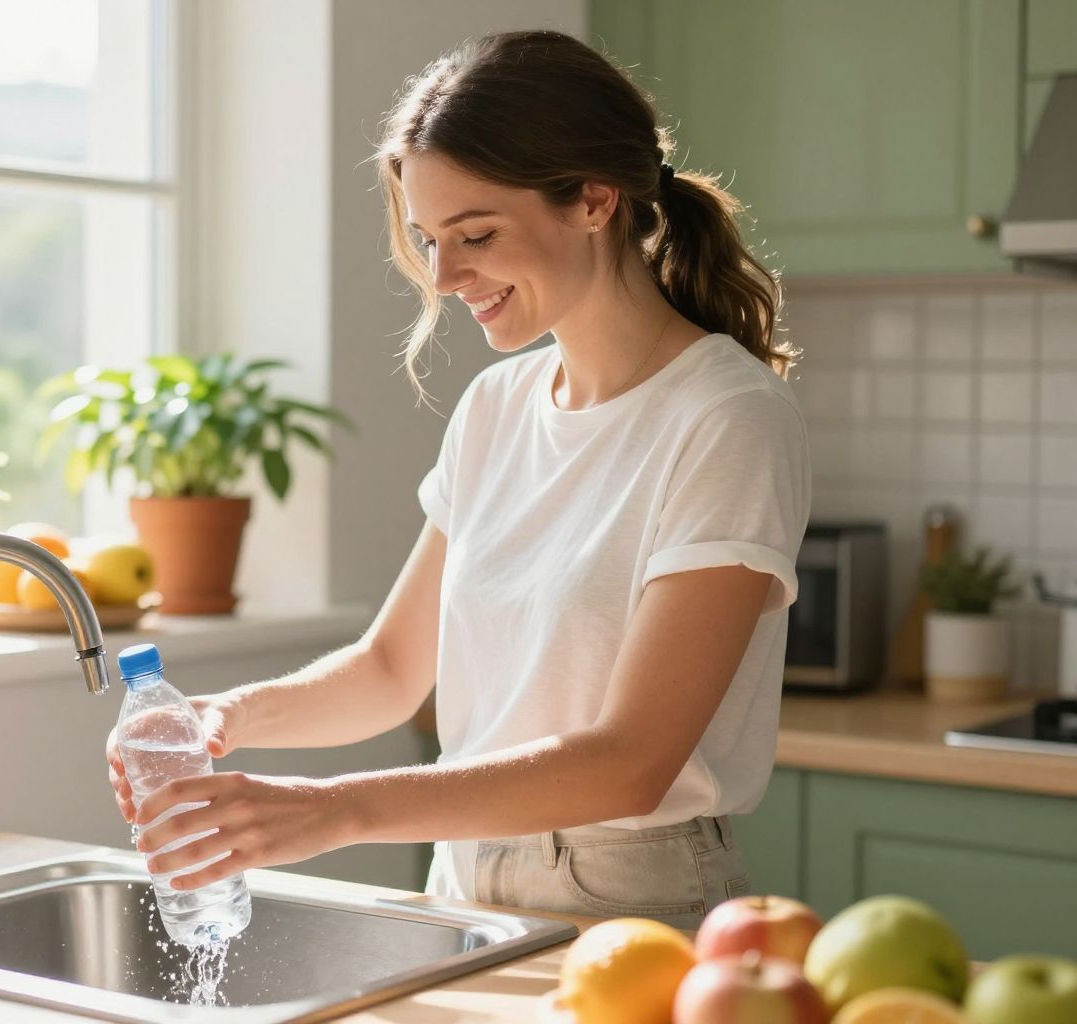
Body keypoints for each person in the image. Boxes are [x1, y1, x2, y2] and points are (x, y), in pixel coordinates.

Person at [107, 28, 810, 928]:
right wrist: (223, 716)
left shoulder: (726, 418)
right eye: (427, 239)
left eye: (475, 234)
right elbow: (393, 668)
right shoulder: (496, 407)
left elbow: (633, 760)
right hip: (463, 884)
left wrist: (332, 811)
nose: (443, 277)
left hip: (630, 897)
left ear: (595, 200)